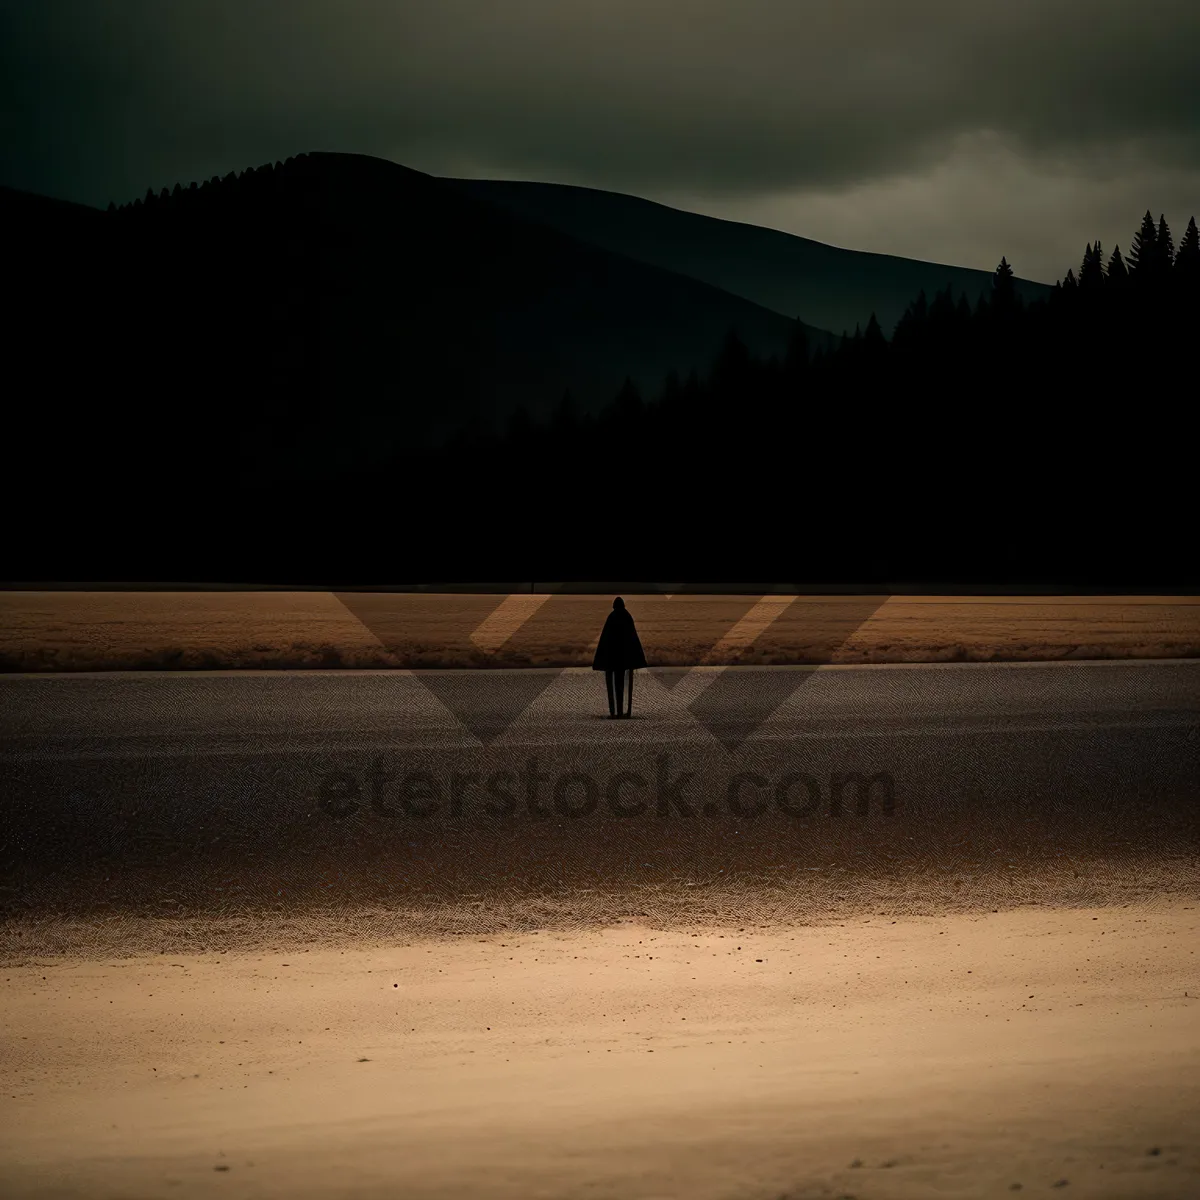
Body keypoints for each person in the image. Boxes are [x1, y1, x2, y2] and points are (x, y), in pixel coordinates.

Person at [592, 596, 647, 718]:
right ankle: (623, 711)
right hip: (625, 659)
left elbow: (605, 640)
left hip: (613, 659)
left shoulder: (612, 617)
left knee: (615, 685)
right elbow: (633, 638)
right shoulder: (627, 617)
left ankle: (614, 711)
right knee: (622, 685)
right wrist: (636, 658)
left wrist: (602, 659)